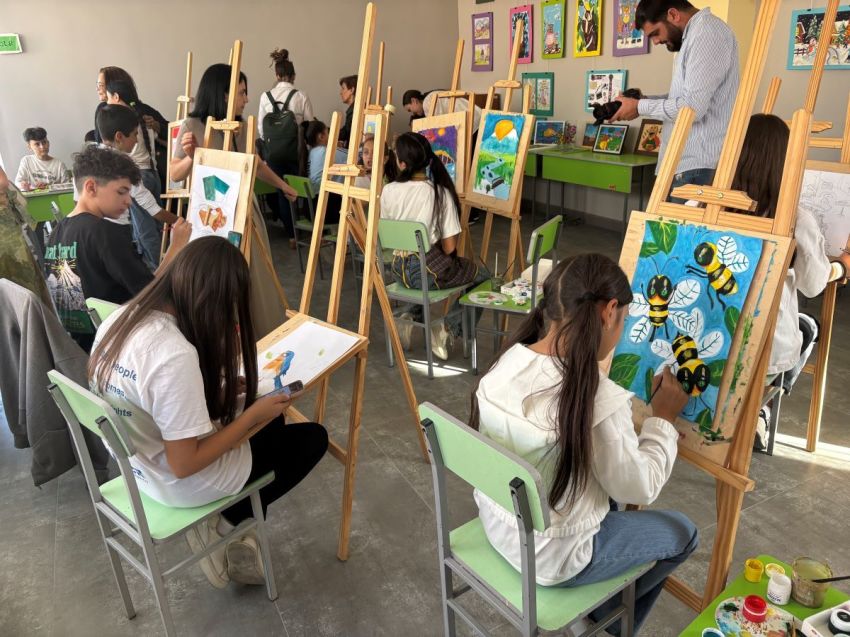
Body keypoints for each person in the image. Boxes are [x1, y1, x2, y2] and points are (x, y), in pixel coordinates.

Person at [471, 253, 697, 634]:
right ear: (610, 311)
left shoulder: (505, 362)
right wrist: (662, 420)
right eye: (624, 319)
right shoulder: (597, 399)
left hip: (499, 525)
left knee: (603, 489)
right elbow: (641, 486)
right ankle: (607, 624)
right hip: (554, 557)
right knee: (684, 533)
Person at [88, 236, 328, 587]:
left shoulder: (121, 318)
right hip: (176, 481)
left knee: (271, 418)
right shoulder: (173, 353)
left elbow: (150, 395)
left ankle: (231, 523)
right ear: (214, 300)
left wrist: (222, 392)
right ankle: (227, 526)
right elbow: (185, 464)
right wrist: (251, 416)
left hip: (139, 470)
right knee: (311, 439)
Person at [731, 114, 850, 449]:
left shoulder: (703, 205)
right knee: (808, 326)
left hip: (709, 339)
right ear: (787, 163)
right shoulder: (795, 217)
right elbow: (814, 285)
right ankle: (759, 408)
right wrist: (842, 266)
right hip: (762, 356)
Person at [169, 63, 295, 339]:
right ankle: (225, 342)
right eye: (241, 92)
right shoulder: (192, 125)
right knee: (218, 280)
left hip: (245, 214)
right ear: (223, 95)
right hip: (210, 217)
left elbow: (257, 165)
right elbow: (175, 173)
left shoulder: (244, 127)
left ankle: (260, 338)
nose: (246, 99)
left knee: (255, 279)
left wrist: (283, 185)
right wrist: (193, 155)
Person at [44, 145, 190, 351]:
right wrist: (176, 247)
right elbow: (150, 292)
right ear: (91, 187)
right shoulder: (104, 233)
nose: (129, 201)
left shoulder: (56, 234)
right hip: (120, 344)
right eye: (121, 192)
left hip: (83, 346)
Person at [610, 0, 739, 200]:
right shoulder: (694, 36)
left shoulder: (707, 33)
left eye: (655, 33)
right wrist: (639, 103)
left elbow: (692, 108)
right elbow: (683, 99)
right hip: (685, 164)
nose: (655, 42)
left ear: (673, 15)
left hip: (697, 166)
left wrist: (641, 106)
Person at [381, 132, 488, 360]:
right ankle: (447, 328)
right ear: (428, 160)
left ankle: (409, 315)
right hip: (425, 273)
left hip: (398, 270)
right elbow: (449, 248)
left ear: (401, 163)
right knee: (484, 277)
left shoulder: (388, 191)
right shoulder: (439, 193)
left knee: (424, 274)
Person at [104, 83, 168, 269]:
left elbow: (150, 207)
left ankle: (159, 270)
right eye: (134, 135)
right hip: (152, 173)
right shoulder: (143, 114)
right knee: (153, 228)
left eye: (107, 95)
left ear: (116, 97)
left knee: (146, 230)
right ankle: (162, 267)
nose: (136, 138)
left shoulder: (123, 122)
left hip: (143, 175)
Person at [257, 48, 315, 244]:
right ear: (293, 76)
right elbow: (309, 125)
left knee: (281, 191)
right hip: (295, 152)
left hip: (274, 153)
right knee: (300, 188)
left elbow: (261, 128)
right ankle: (306, 226)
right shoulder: (301, 96)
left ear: (276, 75)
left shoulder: (265, 97)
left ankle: (291, 234)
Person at [94, 67, 169, 187]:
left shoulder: (141, 110)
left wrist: (158, 126)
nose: (97, 88)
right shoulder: (106, 110)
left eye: (101, 84)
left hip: (133, 175)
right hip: (148, 174)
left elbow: (171, 132)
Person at [306, 120, 347, 224]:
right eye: (327, 132)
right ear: (321, 136)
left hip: (311, 210)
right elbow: (352, 156)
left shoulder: (311, 152)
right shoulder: (326, 151)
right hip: (326, 210)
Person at [402, 89, 482, 136]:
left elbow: (438, 125)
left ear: (413, 101)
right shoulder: (430, 97)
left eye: (409, 109)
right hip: (473, 115)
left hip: (471, 119)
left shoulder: (428, 103)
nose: (412, 113)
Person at [337, 75, 358, 147]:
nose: (340, 92)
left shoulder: (356, 111)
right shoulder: (354, 109)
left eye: (343, 88)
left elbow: (345, 133)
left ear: (352, 90)